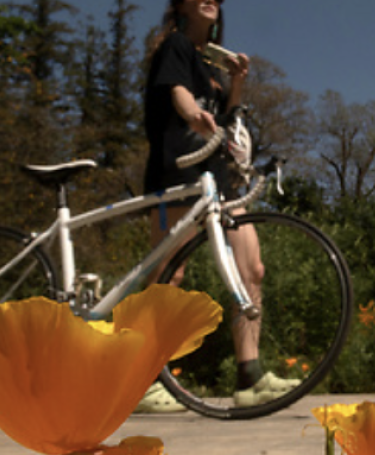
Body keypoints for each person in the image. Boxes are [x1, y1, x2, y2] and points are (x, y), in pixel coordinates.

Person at [136, 0, 299, 412]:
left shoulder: (209, 65)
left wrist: (237, 83)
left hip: (218, 180)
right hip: (177, 176)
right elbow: (178, 94)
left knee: (252, 270)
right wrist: (192, 114)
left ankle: (250, 376)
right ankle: (144, 379)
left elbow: (227, 121)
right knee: (169, 276)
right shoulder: (174, 46)